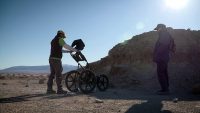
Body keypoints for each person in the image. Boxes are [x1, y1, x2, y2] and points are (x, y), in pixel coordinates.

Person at [153, 24, 176, 95]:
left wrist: (157, 55)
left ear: (161, 28)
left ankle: (165, 90)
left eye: (157, 29)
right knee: (164, 73)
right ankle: (166, 89)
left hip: (162, 57)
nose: (157, 30)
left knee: (161, 73)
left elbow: (163, 45)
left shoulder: (164, 34)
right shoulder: (165, 34)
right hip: (164, 57)